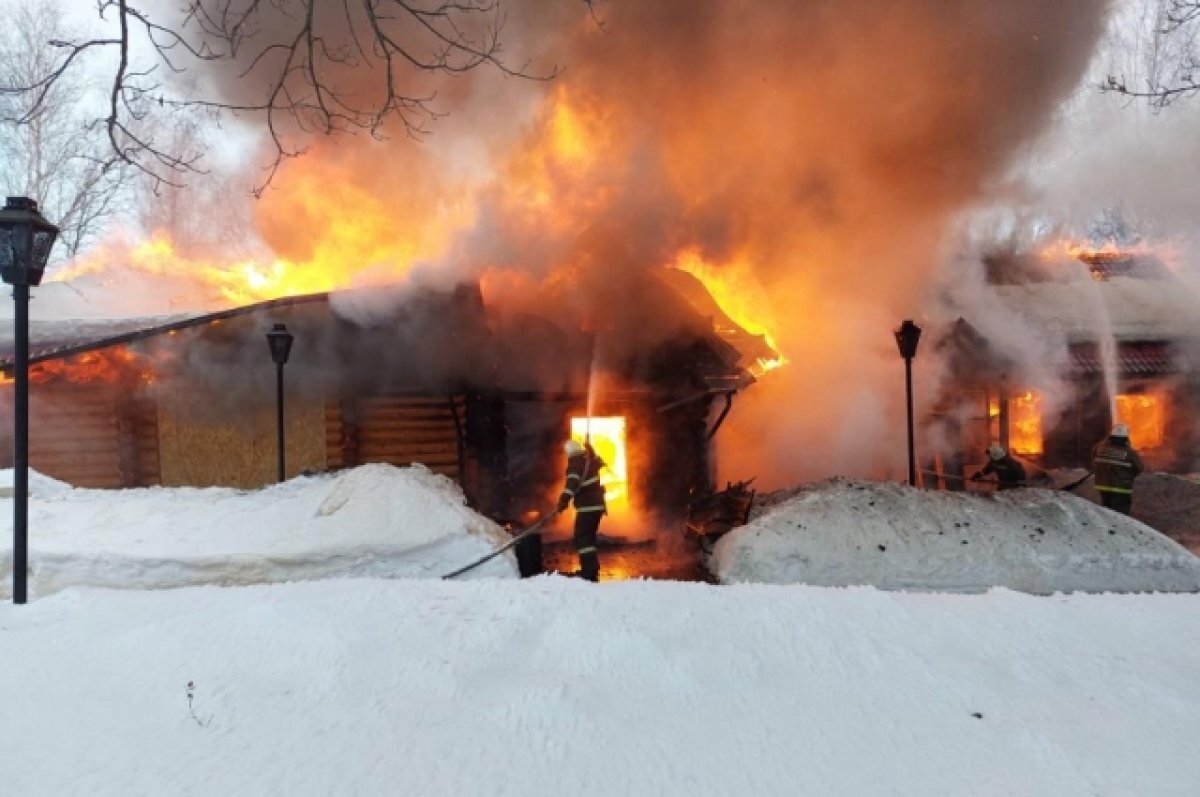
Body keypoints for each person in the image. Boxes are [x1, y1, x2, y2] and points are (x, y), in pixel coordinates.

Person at [557, 439, 607, 582]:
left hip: (587, 507)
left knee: (582, 538)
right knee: (588, 538)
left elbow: (571, 484)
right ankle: (591, 569)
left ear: (569, 453)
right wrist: (592, 452)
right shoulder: (588, 461)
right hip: (597, 506)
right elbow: (600, 463)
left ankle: (589, 572)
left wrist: (563, 501)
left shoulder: (575, 464)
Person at [1092, 423, 1144, 515]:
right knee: (1120, 516)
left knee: (1106, 512)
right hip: (1122, 488)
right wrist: (1129, 476)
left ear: (1110, 437)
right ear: (1126, 439)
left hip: (1103, 486)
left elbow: (1094, 459)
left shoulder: (1099, 449)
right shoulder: (1130, 453)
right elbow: (1139, 468)